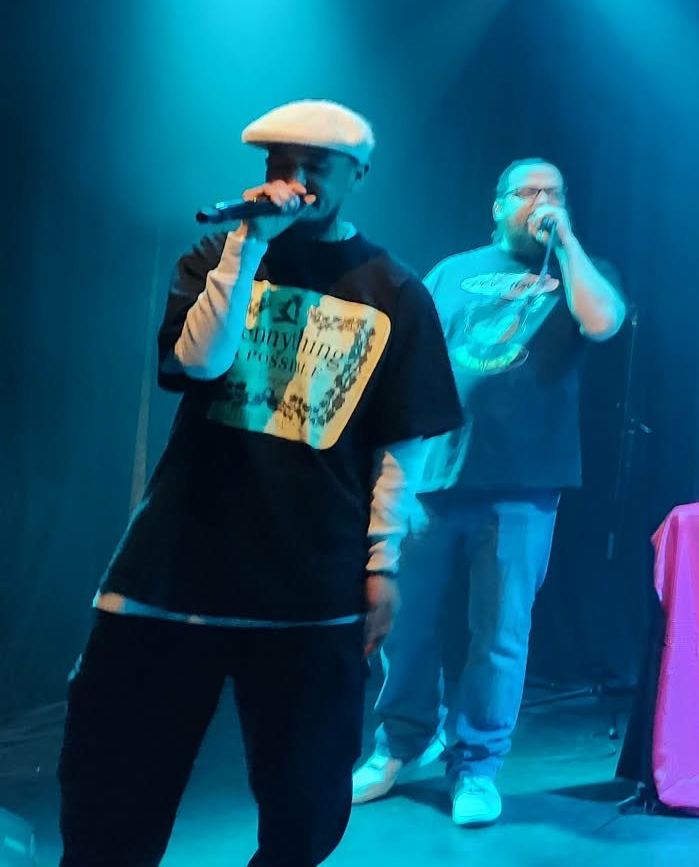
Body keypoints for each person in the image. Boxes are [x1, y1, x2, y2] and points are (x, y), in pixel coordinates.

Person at [58, 100, 462, 867]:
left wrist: (382, 565)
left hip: (308, 586)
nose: (294, 181)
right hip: (175, 572)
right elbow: (200, 364)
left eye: (315, 167)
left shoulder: (398, 293)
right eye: (280, 165)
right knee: (111, 789)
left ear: (358, 174)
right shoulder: (219, 252)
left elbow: (399, 446)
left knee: (306, 807)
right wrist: (247, 246)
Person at [352, 158, 627, 828]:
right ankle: (399, 745)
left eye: (556, 191)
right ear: (498, 205)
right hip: (436, 473)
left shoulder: (582, 271)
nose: (543, 200)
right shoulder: (450, 271)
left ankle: (476, 766)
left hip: (524, 483)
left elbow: (604, 322)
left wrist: (567, 243)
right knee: (406, 625)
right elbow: (409, 365)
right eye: (530, 191)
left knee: (499, 635)